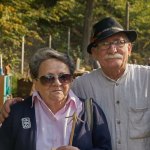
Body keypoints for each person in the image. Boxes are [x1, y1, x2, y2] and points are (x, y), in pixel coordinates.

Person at [1, 17, 150, 150]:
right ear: (94, 53)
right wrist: (16, 107)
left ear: (129, 48)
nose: (112, 49)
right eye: (104, 44)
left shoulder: (147, 78)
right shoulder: (81, 85)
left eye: (119, 42)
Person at [0, 48, 111, 150]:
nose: (57, 83)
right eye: (48, 78)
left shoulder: (90, 111)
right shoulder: (16, 113)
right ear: (36, 83)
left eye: (64, 77)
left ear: (71, 80)